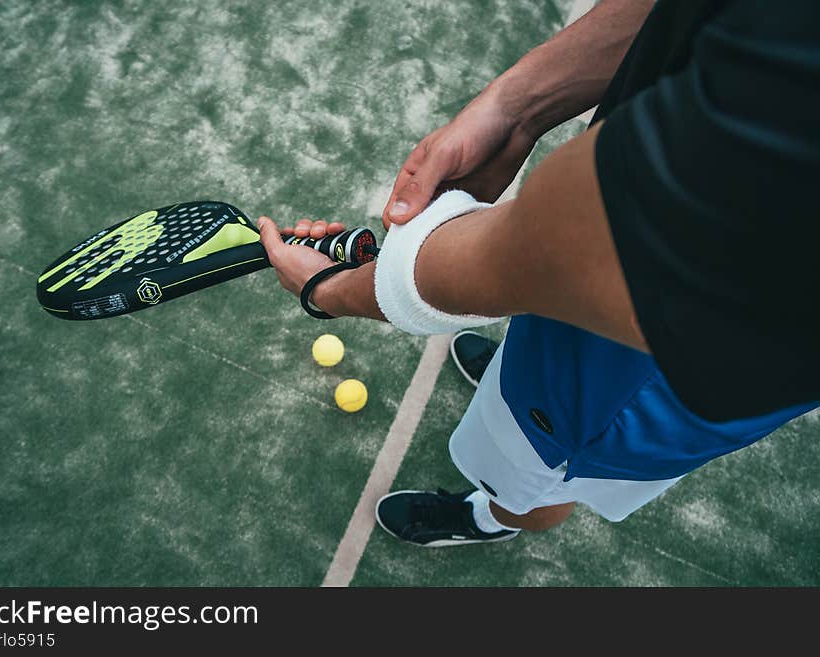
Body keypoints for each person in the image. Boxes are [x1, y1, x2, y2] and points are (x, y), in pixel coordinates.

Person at [257, 0, 820, 547]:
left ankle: (494, 515)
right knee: (531, 361)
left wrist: (329, 290)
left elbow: (564, 252)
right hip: (619, 288)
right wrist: (513, 108)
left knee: (536, 475)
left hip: (643, 377)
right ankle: (514, 377)